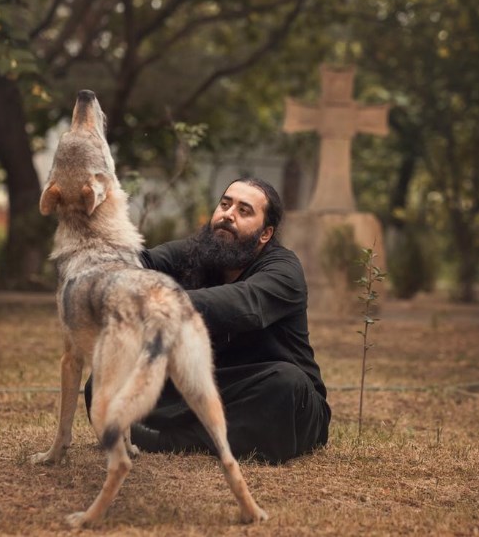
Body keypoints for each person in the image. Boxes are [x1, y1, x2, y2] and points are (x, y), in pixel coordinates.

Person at [84, 177, 331, 464]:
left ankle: (165, 440)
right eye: (225, 204)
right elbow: (140, 263)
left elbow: (244, 302)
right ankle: (187, 433)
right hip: (207, 386)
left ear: (265, 234)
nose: (228, 214)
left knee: (287, 385)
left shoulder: (284, 270)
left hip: (264, 391)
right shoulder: (195, 252)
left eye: (244, 211)